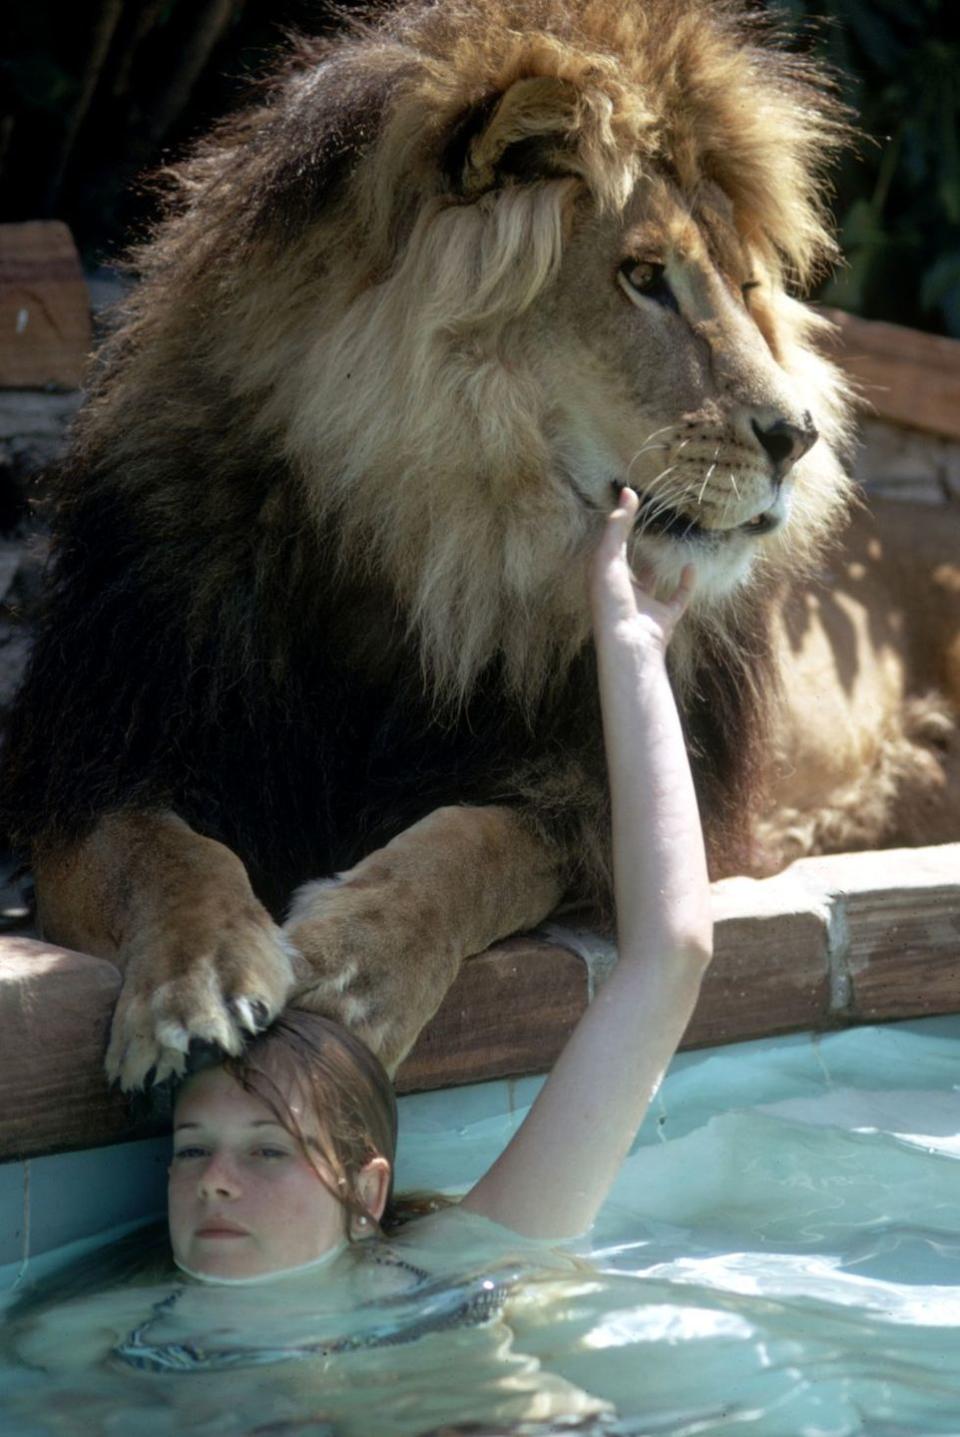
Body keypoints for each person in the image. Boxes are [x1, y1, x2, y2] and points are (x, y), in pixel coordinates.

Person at [6, 489, 712, 1433]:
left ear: (367, 1191)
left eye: (266, 1150)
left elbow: (670, 956)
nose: (214, 1182)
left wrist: (631, 650)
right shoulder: (81, 1339)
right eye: (189, 1150)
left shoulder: (457, 1271)